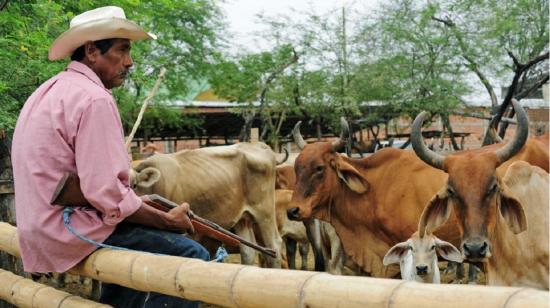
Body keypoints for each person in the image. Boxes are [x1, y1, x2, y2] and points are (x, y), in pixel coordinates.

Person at [11, 6, 209, 307]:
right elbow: (107, 193)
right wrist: (167, 221)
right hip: (68, 231)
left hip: (37, 229)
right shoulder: (95, 99)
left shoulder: (47, 91)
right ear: (92, 50)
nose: (129, 62)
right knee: (192, 256)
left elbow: (100, 192)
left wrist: (136, 206)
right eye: (122, 50)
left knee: (134, 247)